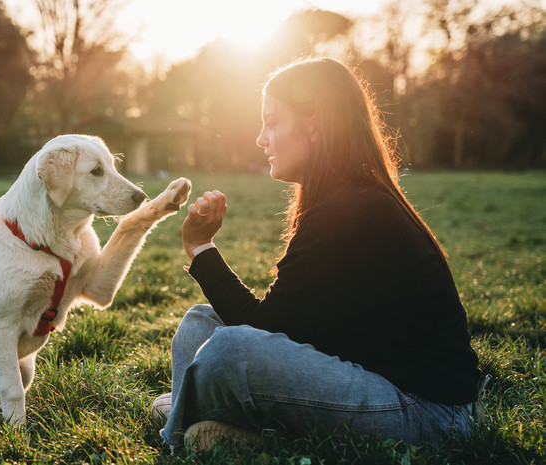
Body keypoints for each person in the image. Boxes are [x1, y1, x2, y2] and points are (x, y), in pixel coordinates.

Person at [152, 57, 485, 451]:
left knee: (229, 349)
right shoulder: (341, 200)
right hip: (370, 376)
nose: (261, 138)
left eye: (272, 122)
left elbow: (262, 328)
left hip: (430, 414)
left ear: (313, 124)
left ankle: (187, 429)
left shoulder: (354, 208)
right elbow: (294, 329)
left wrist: (201, 249)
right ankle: (218, 425)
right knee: (199, 323)